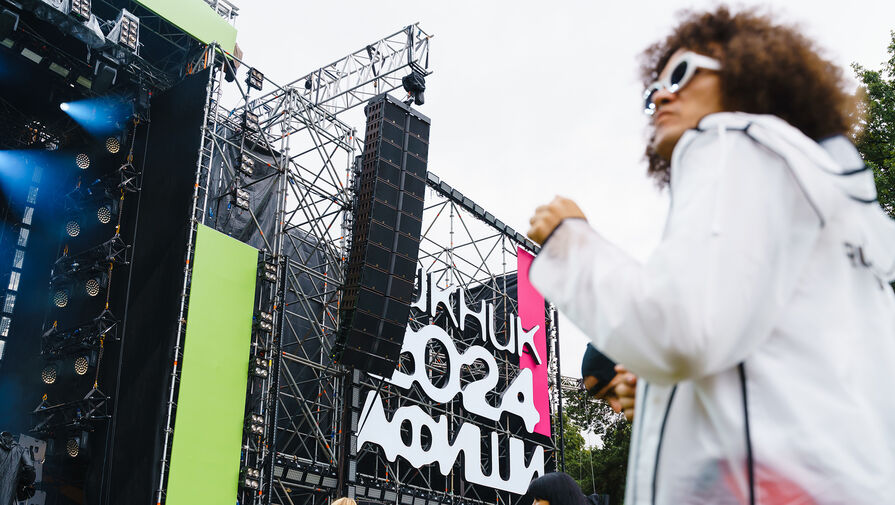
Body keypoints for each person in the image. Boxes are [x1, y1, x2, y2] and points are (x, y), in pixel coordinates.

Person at [527, 6, 895, 505]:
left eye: (682, 73)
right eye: (653, 89)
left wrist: (569, 244)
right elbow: (774, 368)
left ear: (750, 73)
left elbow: (684, 332)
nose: (662, 95)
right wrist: (664, 391)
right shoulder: (837, 205)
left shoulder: (730, 139)